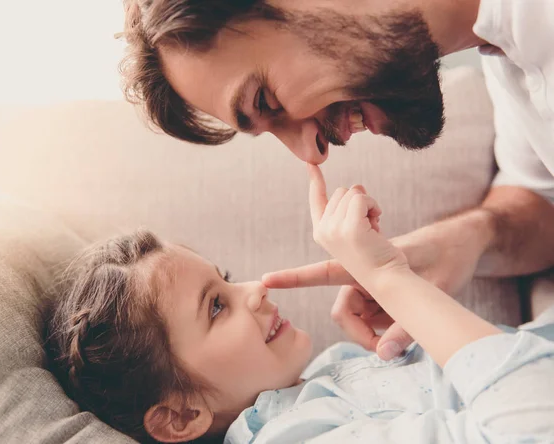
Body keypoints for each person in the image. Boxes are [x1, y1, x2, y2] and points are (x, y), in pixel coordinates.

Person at [119, 0, 554, 361]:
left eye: (265, 100)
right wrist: (469, 239)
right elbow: (541, 197)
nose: (312, 153)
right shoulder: (506, 54)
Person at [47, 166, 554, 443]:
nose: (255, 289)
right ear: (180, 417)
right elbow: (531, 425)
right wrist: (390, 278)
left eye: (224, 280)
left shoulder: (327, 372)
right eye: (216, 307)